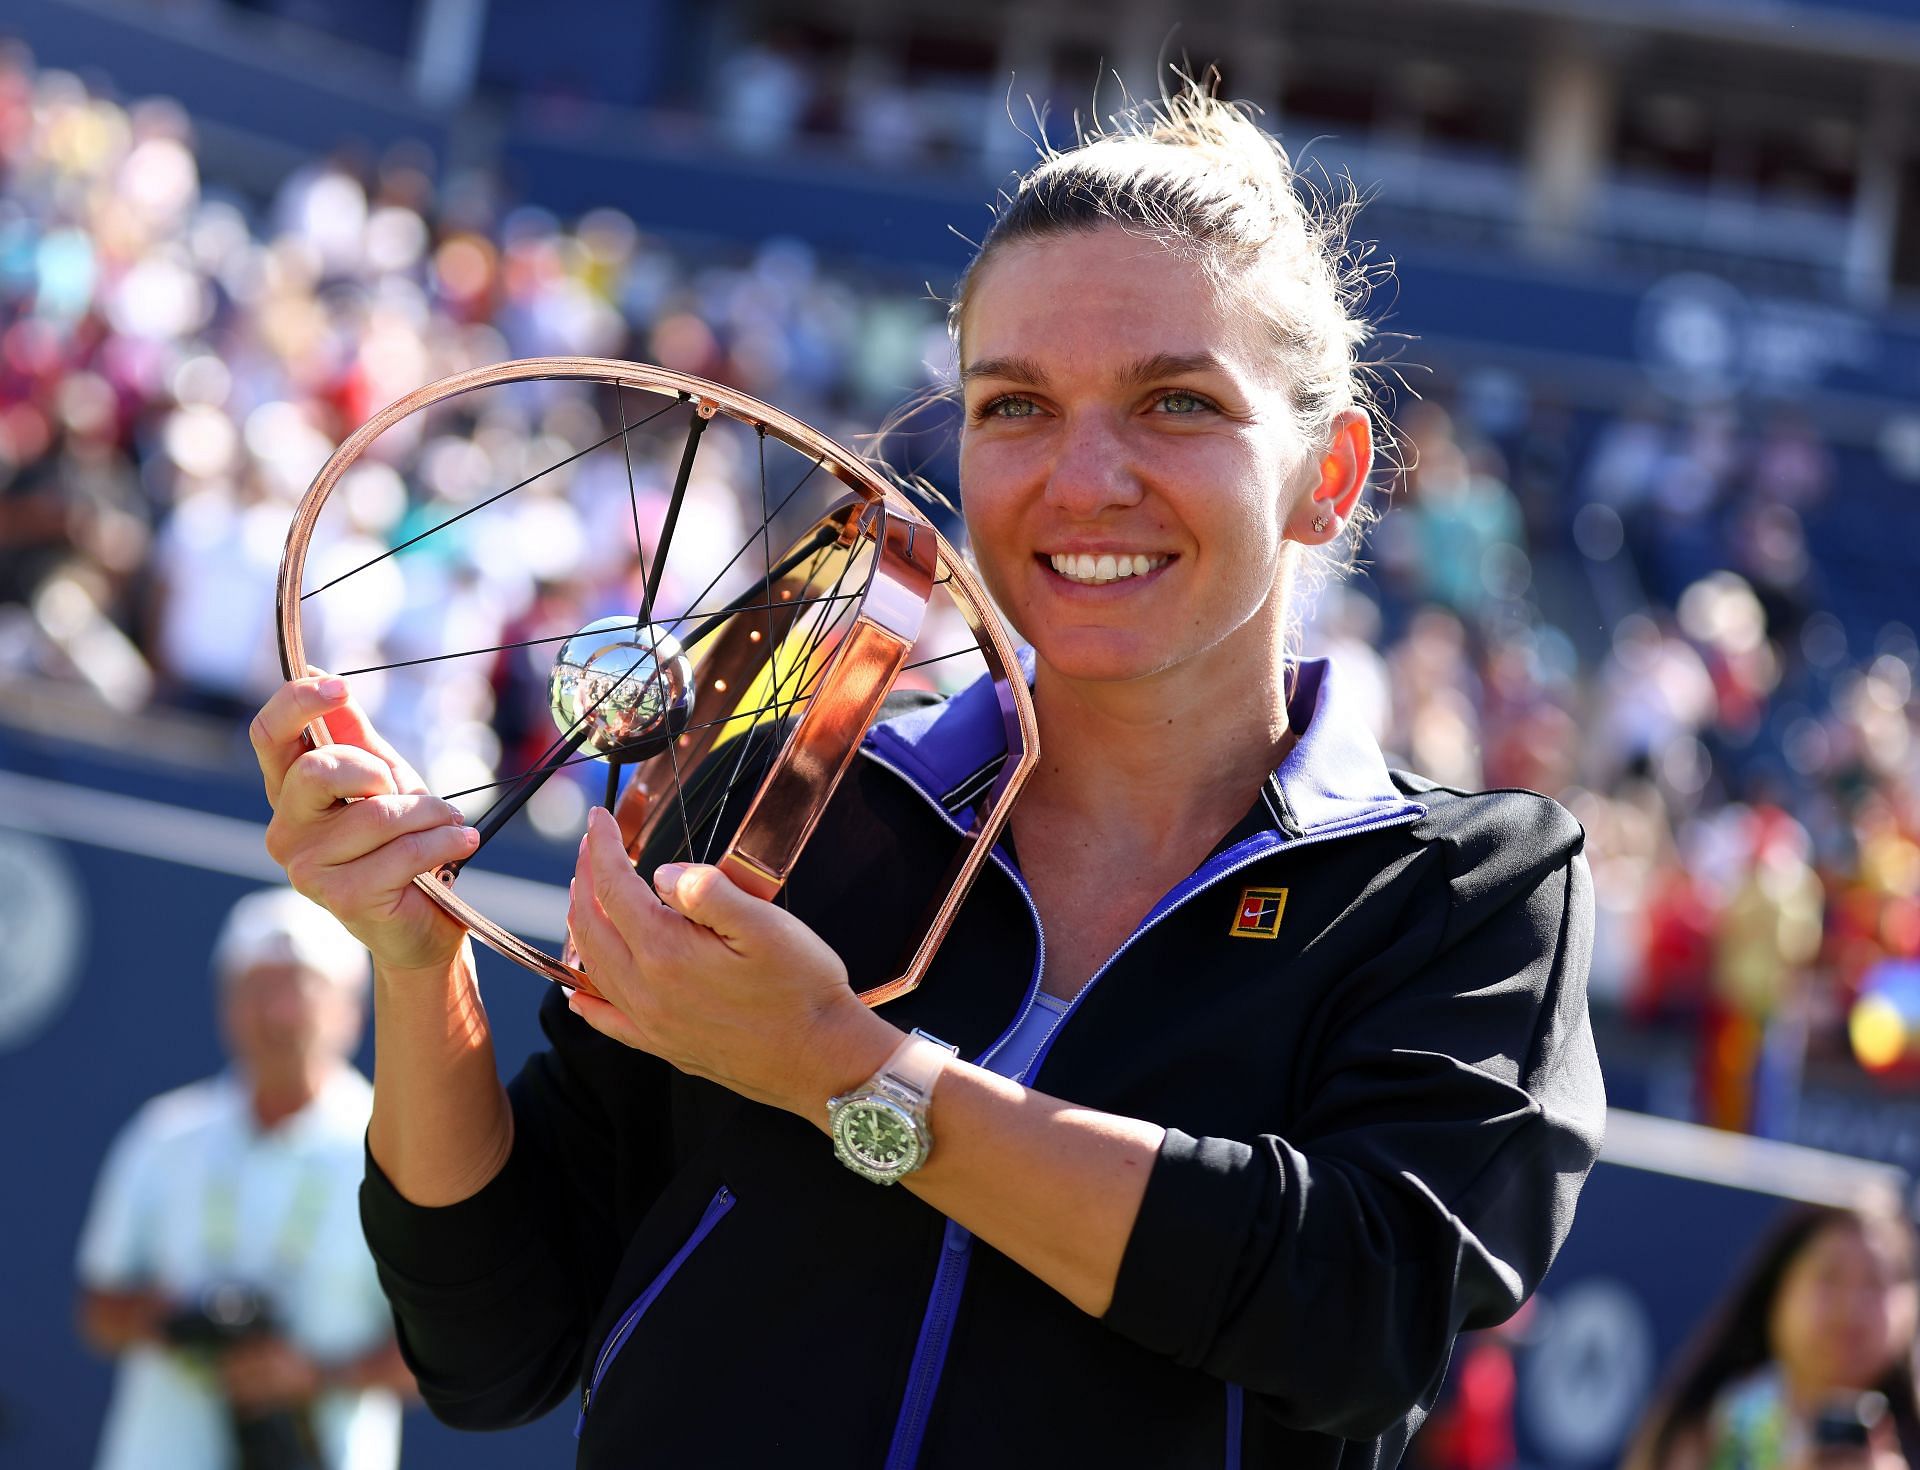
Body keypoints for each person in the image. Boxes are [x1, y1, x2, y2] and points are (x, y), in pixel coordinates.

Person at [249, 81, 1605, 1468]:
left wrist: (849, 1074)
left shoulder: (1463, 885)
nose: (1085, 477)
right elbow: (495, 1347)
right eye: (1016, 403)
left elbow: (1356, 1312)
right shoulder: (794, 799)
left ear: (1329, 475)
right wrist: (420, 969)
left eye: (1176, 402)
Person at [75, 887, 414, 1470]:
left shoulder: (398, 1154)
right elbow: (98, 1310)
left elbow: (442, 1359)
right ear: (225, 1005)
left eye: (302, 988)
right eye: (258, 988)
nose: (279, 1013)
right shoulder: (163, 1137)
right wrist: (173, 1324)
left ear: (351, 1011)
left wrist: (313, 1375)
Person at [1625, 1198, 1920, 1470]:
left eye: (1875, 1281)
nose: (1851, 1307)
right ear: (1777, 1290)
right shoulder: (1710, 1425)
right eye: (1830, 1276)